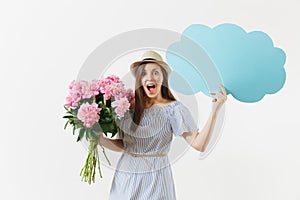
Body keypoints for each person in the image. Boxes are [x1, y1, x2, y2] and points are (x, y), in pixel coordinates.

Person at [97, 50, 227, 199]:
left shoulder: (174, 109)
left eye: (155, 73)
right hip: (126, 177)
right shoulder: (127, 106)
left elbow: (199, 144)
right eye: (144, 73)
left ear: (163, 78)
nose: (149, 77)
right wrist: (99, 139)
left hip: (155, 179)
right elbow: (126, 145)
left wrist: (215, 111)